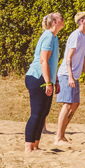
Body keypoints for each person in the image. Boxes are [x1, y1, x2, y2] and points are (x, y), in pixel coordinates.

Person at [24, 11, 63, 152]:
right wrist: (48, 82)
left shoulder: (55, 37)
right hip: (37, 77)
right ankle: (28, 146)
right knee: (36, 112)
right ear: (54, 22)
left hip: (47, 78)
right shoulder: (47, 36)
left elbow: (52, 63)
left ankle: (35, 145)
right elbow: (43, 60)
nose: (63, 20)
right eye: (61, 18)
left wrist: (55, 80)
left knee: (43, 113)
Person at [54, 11, 85, 145]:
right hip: (66, 74)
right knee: (67, 104)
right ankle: (57, 137)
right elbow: (68, 57)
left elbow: (82, 57)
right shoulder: (75, 36)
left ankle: (62, 135)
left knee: (75, 104)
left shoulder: (83, 36)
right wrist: (70, 76)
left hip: (74, 76)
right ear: (82, 21)